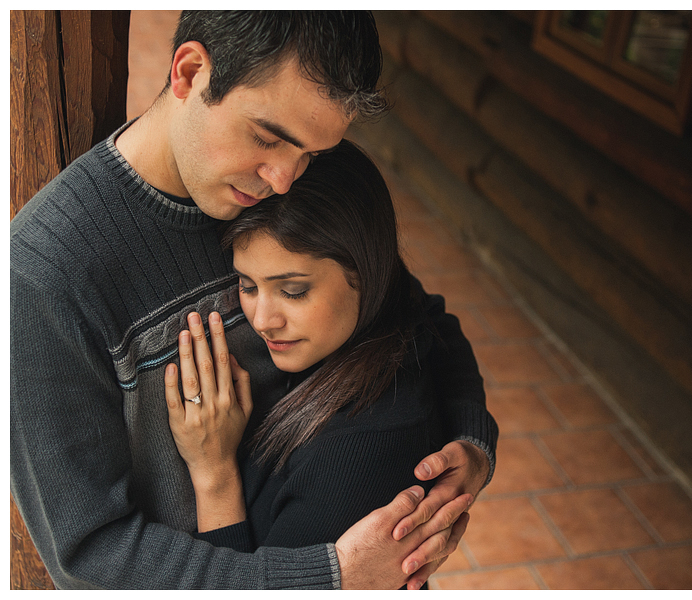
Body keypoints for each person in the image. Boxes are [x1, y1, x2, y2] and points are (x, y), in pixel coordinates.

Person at [10, 11, 497, 590]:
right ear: (190, 72)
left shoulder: (285, 178)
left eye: (311, 154)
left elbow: (416, 317)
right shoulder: (47, 274)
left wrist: (470, 445)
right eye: (267, 138)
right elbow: (92, 557)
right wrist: (326, 578)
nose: (285, 179)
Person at [165, 141, 468, 592]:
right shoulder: (381, 325)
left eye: (292, 291)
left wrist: (214, 475)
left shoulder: (362, 451)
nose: (263, 321)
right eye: (247, 285)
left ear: (367, 271)